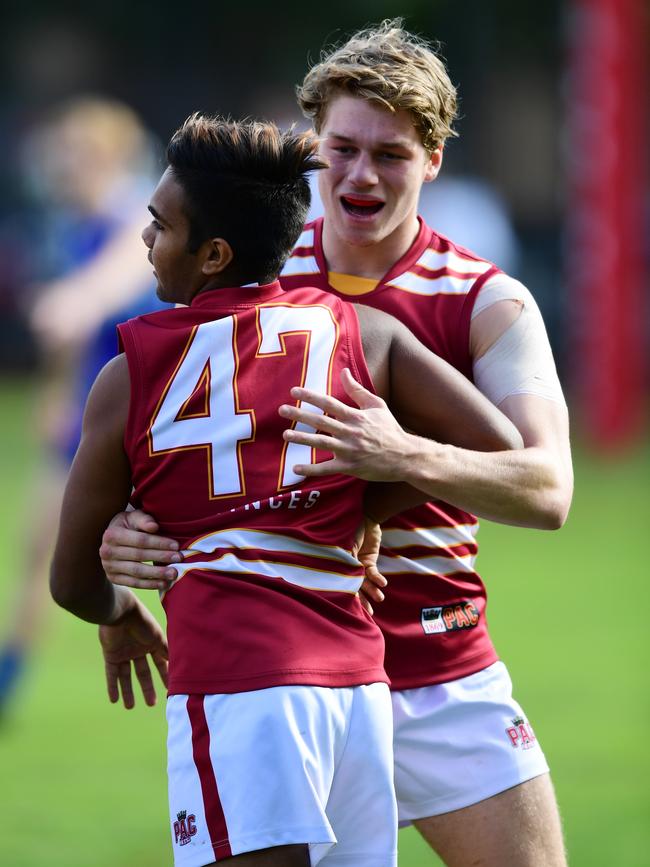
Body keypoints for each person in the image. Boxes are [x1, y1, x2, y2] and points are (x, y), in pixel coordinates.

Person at [100, 21, 573, 866]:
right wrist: (126, 530)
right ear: (313, 145)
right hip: (280, 671)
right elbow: (172, 444)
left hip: (437, 660)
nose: (360, 175)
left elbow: (546, 488)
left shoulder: (487, 302)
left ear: (433, 160)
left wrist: (401, 457)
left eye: (390, 154)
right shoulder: (246, 268)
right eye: (343, 148)